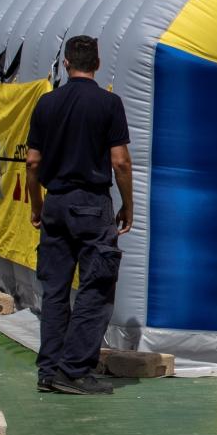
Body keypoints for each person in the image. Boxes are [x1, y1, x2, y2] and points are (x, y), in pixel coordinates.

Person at [26, 35, 133, 396]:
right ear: (98, 64)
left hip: (55, 201)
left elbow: (33, 162)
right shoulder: (109, 103)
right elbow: (120, 161)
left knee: (55, 290)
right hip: (92, 204)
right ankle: (73, 370)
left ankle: (49, 368)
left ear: (66, 64)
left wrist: (37, 205)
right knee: (96, 288)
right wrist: (127, 204)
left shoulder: (47, 103)